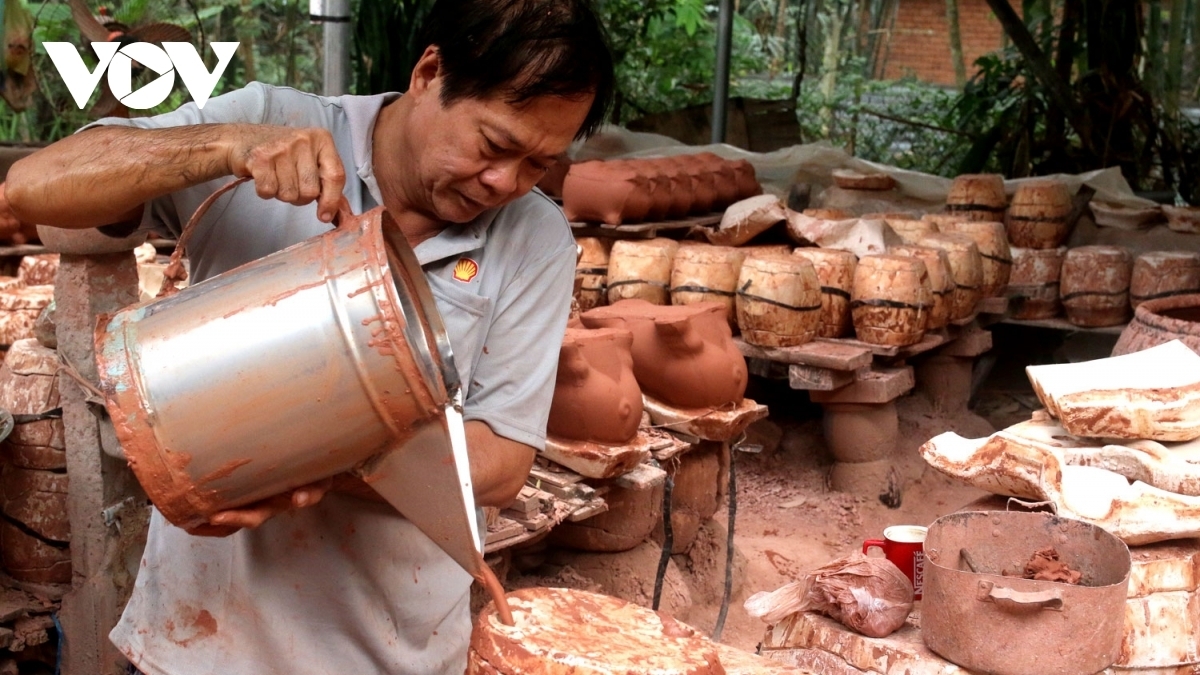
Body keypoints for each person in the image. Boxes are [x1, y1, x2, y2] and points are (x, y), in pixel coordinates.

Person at [5, 0, 614, 672]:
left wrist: (300, 448)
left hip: (389, 652)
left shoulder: (535, 239)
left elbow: (499, 461)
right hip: (199, 642)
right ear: (429, 72)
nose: (506, 183)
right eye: (495, 145)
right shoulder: (273, 124)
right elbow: (34, 186)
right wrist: (223, 147)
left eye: (538, 164)